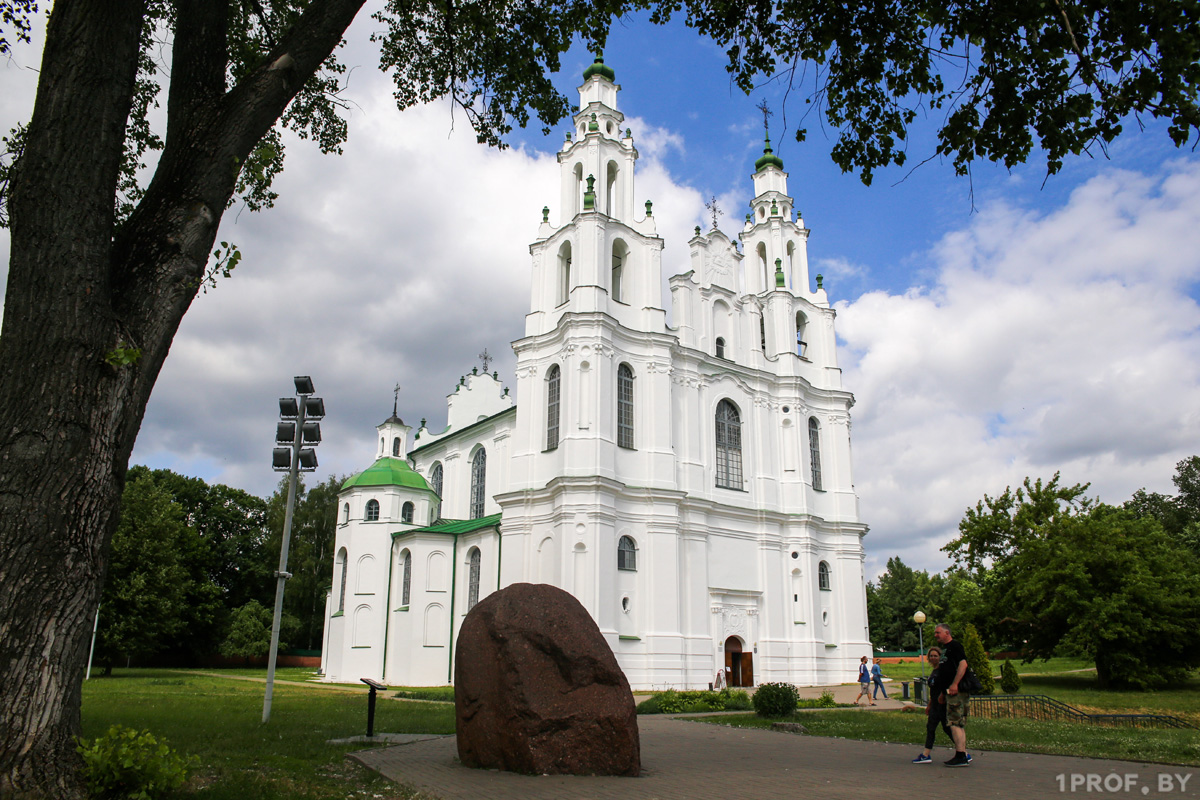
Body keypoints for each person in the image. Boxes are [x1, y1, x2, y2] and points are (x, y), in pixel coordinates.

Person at [934, 623, 971, 766]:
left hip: (957, 690)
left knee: (955, 722)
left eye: (938, 632)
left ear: (947, 632)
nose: (936, 635)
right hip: (950, 692)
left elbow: (963, 664)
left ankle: (961, 755)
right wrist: (943, 693)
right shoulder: (946, 649)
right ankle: (962, 754)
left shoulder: (955, 646)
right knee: (957, 723)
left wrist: (955, 684)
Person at [911, 646, 954, 763]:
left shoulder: (942, 670)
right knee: (932, 728)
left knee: (945, 729)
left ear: (940, 657)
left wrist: (942, 696)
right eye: (931, 656)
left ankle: (963, 752)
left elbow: (945, 686)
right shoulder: (934, 671)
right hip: (935, 704)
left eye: (936, 656)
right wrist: (929, 705)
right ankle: (926, 754)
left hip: (942, 704)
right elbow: (933, 691)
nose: (933, 658)